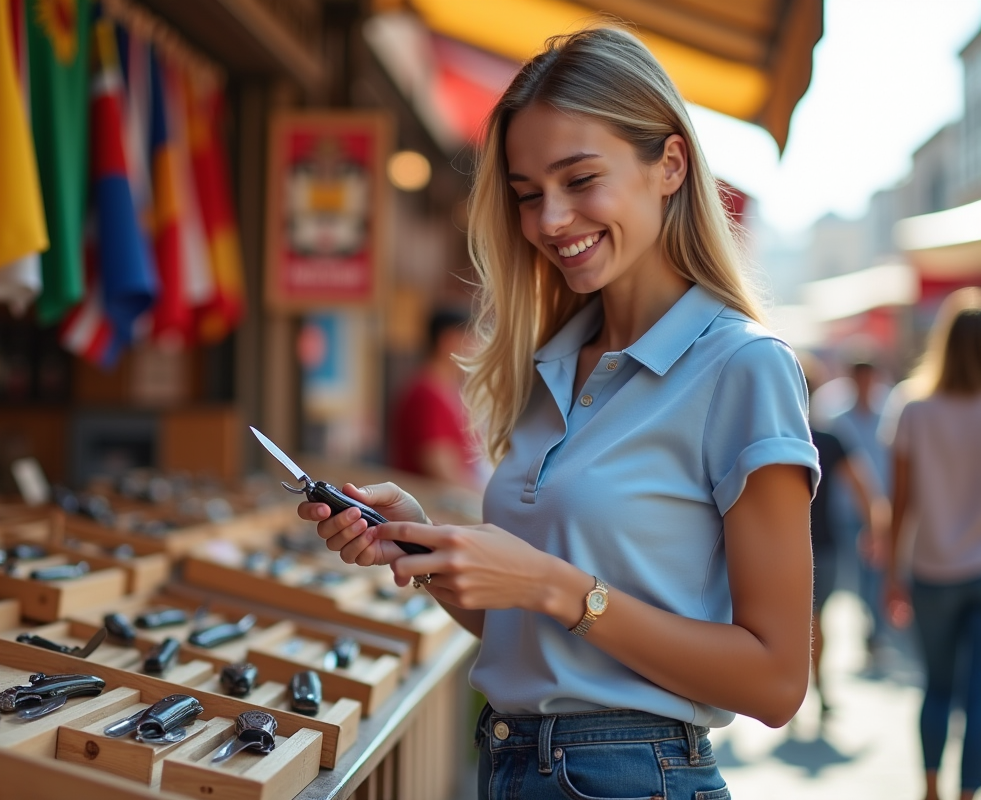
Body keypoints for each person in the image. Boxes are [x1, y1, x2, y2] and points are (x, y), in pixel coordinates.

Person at [299, 27, 820, 799]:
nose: (548, 220)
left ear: (669, 164)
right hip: (510, 763)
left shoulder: (743, 368)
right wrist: (431, 551)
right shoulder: (550, 363)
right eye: (526, 194)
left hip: (634, 777)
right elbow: (541, 636)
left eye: (579, 180)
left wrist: (556, 585)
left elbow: (777, 683)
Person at [885, 288, 981, 800]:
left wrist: (892, 575)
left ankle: (930, 789)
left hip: (930, 569)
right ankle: (970, 792)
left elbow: (901, 503)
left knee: (937, 687)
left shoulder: (912, 406)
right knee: (980, 693)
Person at [799, 353, 890, 722]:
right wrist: (875, 529)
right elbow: (865, 489)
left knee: (798, 622)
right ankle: (815, 687)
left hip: (780, 548)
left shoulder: (759, 437)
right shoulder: (829, 439)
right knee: (819, 620)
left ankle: (802, 689)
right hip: (822, 544)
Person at [389, 309, 482, 490]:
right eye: (471, 339)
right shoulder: (427, 394)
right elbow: (441, 470)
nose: (477, 347)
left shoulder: (445, 389)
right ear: (448, 341)